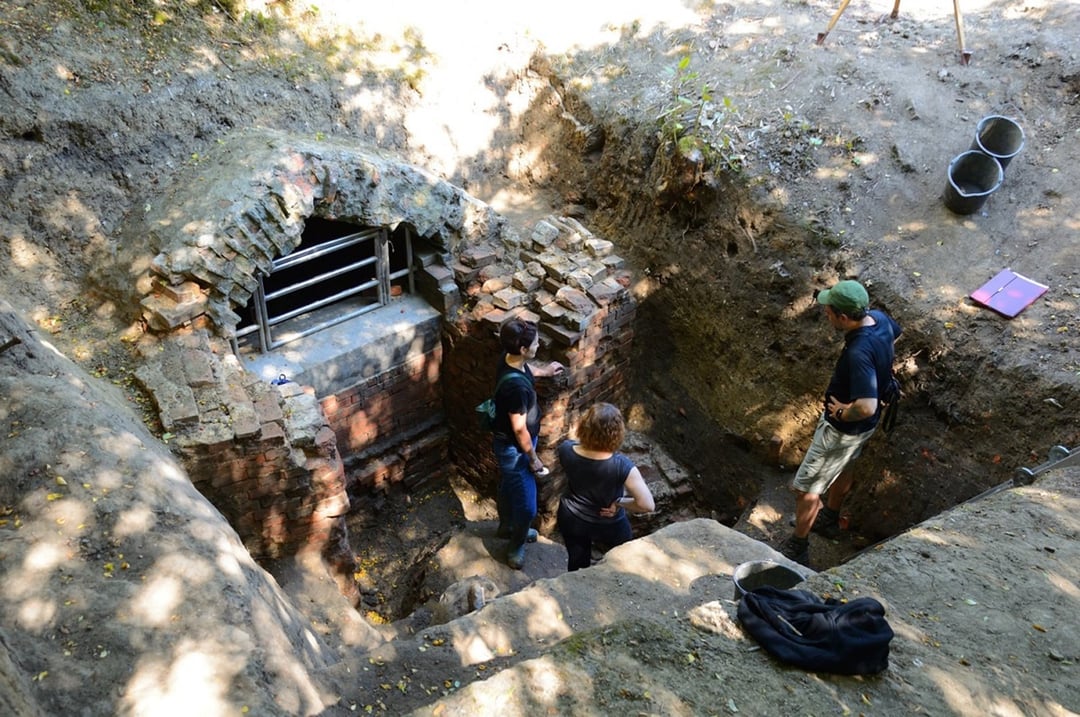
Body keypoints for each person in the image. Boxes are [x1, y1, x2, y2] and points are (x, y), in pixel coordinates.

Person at [780, 280, 902, 567]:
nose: (826, 314)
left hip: (842, 431)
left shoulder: (858, 352)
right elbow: (895, 335)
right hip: (864, 430)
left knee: (806, 489)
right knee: (845, 467)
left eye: (829, 311)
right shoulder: (880, 320)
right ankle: (830, 519)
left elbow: (865, 405)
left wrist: (841, 413)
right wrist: (881, 369)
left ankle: (798, 546)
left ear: (844, 318)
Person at [492, 318, 564, 569]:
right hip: (516, 449)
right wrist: (533, 458)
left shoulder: (509, 358)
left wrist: (544, 371)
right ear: (522, 349)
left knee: (509, 486)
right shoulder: (516, 390)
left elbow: (526, 369)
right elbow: (519, 427)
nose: (538, 345)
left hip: (512, 444)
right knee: (528, 507)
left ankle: (507, 526)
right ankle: (516, 545)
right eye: (534, 343)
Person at [556, 402, 655, 571]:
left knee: (577, 564)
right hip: (609, 522)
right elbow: (647, 505)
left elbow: (575, 443)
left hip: (572, 517)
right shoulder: (622, 465)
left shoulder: (565, 450)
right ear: (617, 434)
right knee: (624, 559)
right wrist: (618, 502)